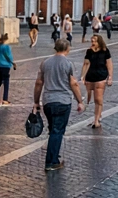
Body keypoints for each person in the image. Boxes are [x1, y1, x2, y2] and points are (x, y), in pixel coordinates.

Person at [34, 39, 83, 172]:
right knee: (57, 131)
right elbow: (73, 83)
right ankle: (51, 161)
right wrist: (80, 100)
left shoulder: (45, 62)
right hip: (63, 100)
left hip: (48, 101)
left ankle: (54, 154)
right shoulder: (68, 63)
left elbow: (39, 83)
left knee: (53, 129)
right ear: (67, 48)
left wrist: (36, 101)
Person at [81, 34, 113, 127]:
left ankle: (96, 120)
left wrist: (110, 77)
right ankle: (98, 115)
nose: (93, 43)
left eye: (95, 41)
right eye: (92, 41)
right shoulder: (89, 51)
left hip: (101, 76)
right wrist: (82, 76)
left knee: (98, 99)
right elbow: (85, 64)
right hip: (90, 76)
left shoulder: (105, 51)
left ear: (99, 42)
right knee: (89, 97)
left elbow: (109, 64)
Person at [0, 34, 15, 105]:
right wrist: (13, 63)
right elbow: (7, 55)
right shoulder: (6, 47)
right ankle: (5, 99)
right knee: (6, 83)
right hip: (5, 66)